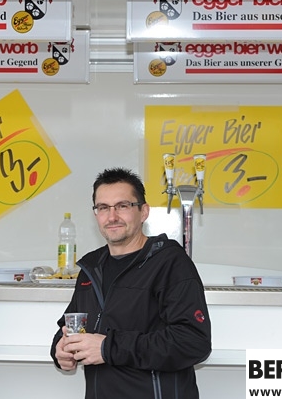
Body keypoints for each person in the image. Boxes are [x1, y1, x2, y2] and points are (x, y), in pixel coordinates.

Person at [50, 167, 211, 399]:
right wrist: (60, 349)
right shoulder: (91, 268)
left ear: (143, 212)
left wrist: (107, 348)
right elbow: (70, 325)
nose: (112, 216)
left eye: (123, 206)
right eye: (103, 208)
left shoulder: (170, 263)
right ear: (96, 214)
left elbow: (193, 342)